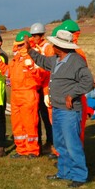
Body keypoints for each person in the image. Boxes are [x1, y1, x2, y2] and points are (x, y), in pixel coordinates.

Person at [29, 30, 94, 188]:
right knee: (60, 144)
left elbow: (88, 81)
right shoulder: (57, 59)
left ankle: (79, 175)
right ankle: (64, 172)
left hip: (69, 111)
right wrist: (29, 50)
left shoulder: (76, 61)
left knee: (72, 144)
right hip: (57, 108)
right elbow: (42, 60)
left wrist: (72, 94)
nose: (52, 46)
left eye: (55, 44)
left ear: (61, 46)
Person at [0, 31, 44, 158]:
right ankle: (21, 149)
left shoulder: (34, 57)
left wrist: (32, 69)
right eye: (18, 45)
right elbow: (8, 73)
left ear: (27, 43)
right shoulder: (16, 59)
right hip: (15, 95)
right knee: (17, 124)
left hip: (28, 94)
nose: (18, 47)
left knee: (30, 123)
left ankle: (32, 150)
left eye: (21, 45)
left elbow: (40, 77)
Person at [30, 22, 55, 152]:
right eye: (33, 35)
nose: (34, 38)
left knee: (47, 115)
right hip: (36, 86)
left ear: (42, 35)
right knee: (37, 116)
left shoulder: (47, 48)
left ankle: (51, 141)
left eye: (36, 35)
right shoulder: (33, 48)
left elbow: (50, 66)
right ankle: (38, 141)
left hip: (46, 85)